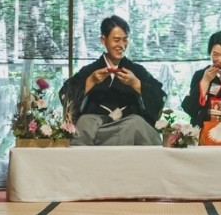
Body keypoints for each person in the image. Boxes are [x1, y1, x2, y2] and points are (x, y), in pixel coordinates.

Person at [61, 15, 164, 146]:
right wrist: (90, 82)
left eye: (125, 40)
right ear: (103, 40)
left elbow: (159, 96)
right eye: (116, 40)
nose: (122, 45)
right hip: (97, 131)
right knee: (85, 122)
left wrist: (136, 84)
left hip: (129, 131)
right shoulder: (90, 71)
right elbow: (66, 96)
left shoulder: (137, 71)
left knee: (136, 123)